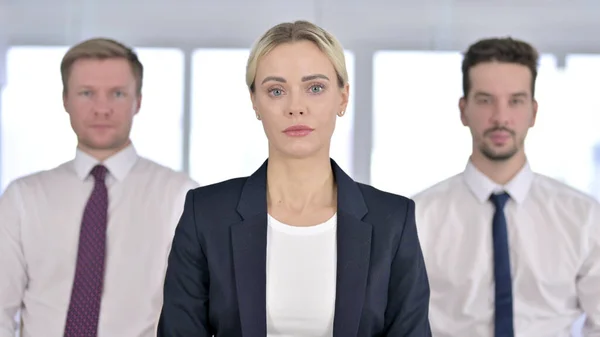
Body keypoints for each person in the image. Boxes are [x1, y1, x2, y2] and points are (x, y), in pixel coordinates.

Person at [157, 20, 431, 337]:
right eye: (276, 91)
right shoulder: (205, 214)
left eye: (315, 88)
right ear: (255, 102)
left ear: (343, 97)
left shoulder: (393, 220)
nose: (295, 107)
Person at [0, 38, 199, 337]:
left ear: (138, 101)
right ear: (65, 99)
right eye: (86, 93)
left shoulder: (180, 196)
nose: (102, 108)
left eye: (117, 93)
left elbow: (194, 310)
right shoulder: (22, 198)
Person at [413, 37, 600, 336]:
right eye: (485, 100)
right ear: (463, 110)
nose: (501, 118)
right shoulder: (418, 218)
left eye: (515, 101)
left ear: (533, 112)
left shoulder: (585, 218)